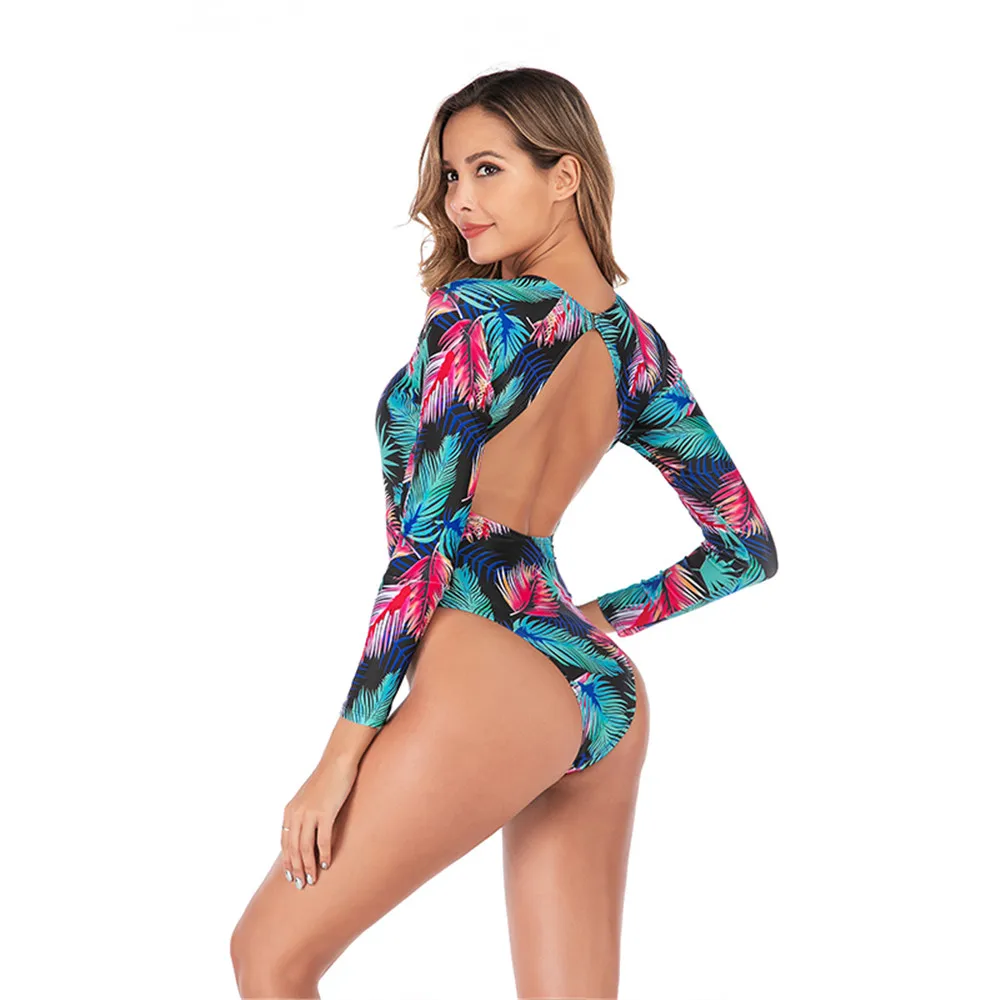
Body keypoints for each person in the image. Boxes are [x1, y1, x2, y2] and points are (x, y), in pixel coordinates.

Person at [231, 66, 778, 1000]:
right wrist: (590, 622)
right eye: (451, 175)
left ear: (565, 175)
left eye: (488, 169)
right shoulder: (635, 348)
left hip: (484, 669)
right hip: (597, 687)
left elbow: (425, 546)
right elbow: (743, 549)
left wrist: (340, 756)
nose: (460, 201)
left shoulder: (476, 320)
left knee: (270, 957)